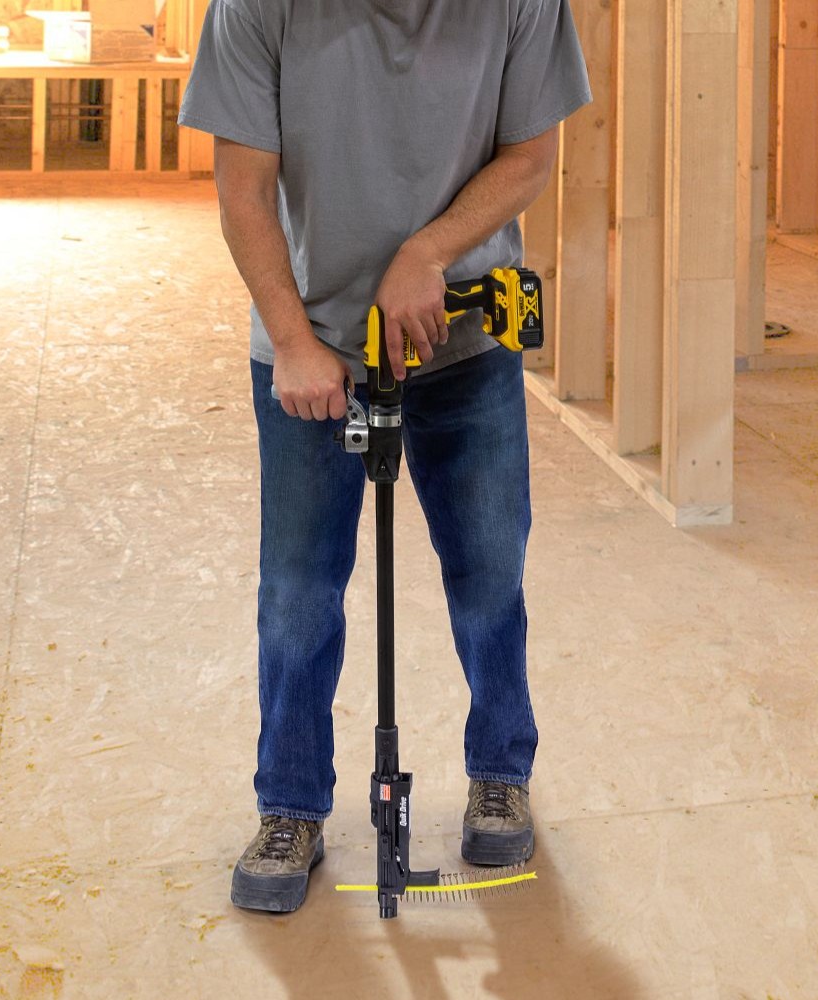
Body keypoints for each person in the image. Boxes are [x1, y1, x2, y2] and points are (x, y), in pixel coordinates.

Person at [178, 0, 591, 913]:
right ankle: (290, 806)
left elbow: (529, 154)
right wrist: (292, 341)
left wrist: (428, 252)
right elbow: (243, 187)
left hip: (464, 341)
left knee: (489, 574)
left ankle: (500, 774)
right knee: (296, 591)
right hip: (313, 341)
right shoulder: (259, 6)